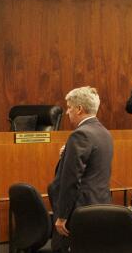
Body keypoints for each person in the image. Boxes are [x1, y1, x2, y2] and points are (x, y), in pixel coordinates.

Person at [48, 86, 114, 243]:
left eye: (69, 107)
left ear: (79, 109)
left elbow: (71, 179)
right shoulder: (104, 132)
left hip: (80, 210)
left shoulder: (80, 134)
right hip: (100, 205)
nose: (67, 112)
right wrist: (66, 156)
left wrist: (62, 215)